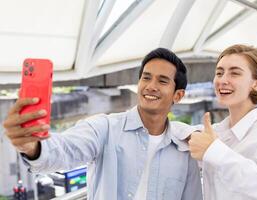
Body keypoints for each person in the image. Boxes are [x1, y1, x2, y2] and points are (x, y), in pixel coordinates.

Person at [3, 48, 203, 200]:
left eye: (162, 81)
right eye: (146, 77)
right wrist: (34, 147)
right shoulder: (104, 128)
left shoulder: (185, 148)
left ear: (178, 95)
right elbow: (66, 149)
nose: (150, 86)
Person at [187, 44, 257, 199]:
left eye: (234, 73)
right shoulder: (220, 131)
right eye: (219, 73)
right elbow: (179, 133)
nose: (223, 80)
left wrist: (216, 153)